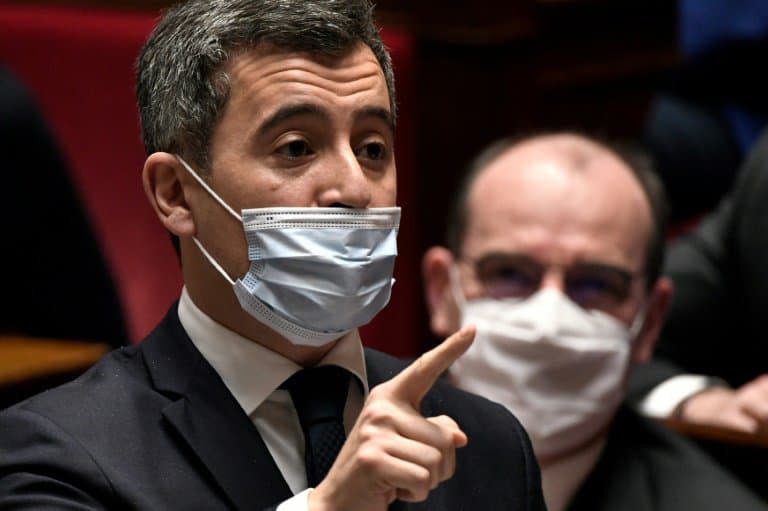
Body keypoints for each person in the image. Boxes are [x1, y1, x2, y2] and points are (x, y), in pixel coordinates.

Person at [0, 1, 546, 510]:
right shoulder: (57, 453)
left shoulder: (487, 444)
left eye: (372, 148)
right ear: (175, 193)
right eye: (297, 148)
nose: (355, 188)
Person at [421, 132, 767, 511]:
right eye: (508, 274)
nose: (547, 325)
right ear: (442, 291)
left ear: (650, 321)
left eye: (596, 284)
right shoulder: (353, 452)